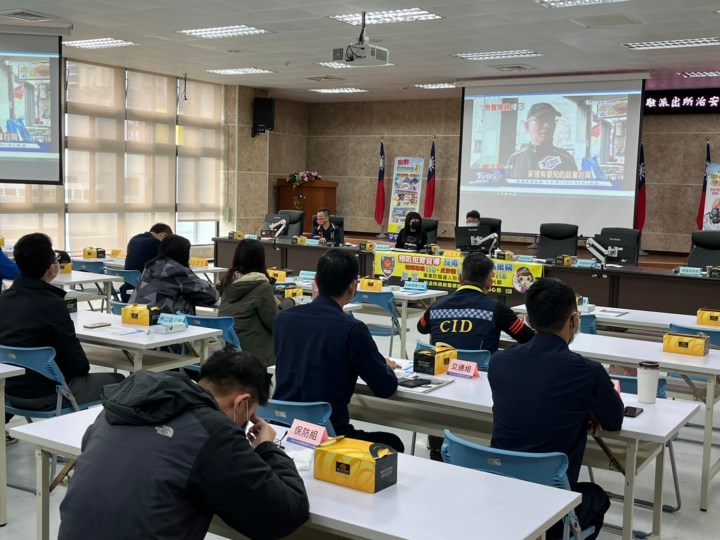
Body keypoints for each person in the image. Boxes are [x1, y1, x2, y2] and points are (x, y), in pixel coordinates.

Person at [58, 351, 310, 540]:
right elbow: (284, 514)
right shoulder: (212, 431)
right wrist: (267, 447)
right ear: (242, 402)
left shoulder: (124, 404)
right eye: (250, 414)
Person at [489, 278, 624, 539]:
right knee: (595, 497)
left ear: (528, 319)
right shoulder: (588, 371)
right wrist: (585, 410)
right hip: (553, 501)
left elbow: (531, 399)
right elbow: (614, 421)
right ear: (574, 320)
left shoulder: (500, 361)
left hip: (501, 490)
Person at [273, 249, 404, 452]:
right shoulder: (352, 329)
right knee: (393, 444)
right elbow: (385, 387)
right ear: (353, 286)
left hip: (283, 430)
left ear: (316, 280)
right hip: (329, 437)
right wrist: (382, 365)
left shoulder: (284, 319)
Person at [417, 251, 534, 460]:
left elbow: (421, 327)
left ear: (459, 278)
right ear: (490, 282)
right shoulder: (497, 309)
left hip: (439, 385)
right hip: (480, 389)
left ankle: (436, 444)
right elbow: (528, 338)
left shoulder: (436, 306)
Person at [0, 233, 124, 413]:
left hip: (8, 393)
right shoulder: (52, 303)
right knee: (120, 381)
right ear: (52, 269)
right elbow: (79, 366)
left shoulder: (4, 299)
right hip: (50, 394)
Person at [219, 239, 293, 367]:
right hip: (255, 355)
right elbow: (274, 323)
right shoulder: (261, 286)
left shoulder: (228, 282)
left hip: (230, 349)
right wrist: (289, 303)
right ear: (260, 259)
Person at [129, 234, 219, 314]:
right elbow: (213, 296)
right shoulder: (180, 273)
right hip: (163, 323)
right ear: (183, 253)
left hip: (135, 317)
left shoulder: (150, 268)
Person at [506, 102, 577, 179]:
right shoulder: (515, 159)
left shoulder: (566, 159)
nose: (547, 125)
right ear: (527, 126)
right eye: (541, 120)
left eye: (551, 121)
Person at [121, 223, 173, 301]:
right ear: (163, 235)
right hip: (144, 285)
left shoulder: (135, 238)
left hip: (129, 284)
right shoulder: (155, 242)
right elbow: (168, 262)